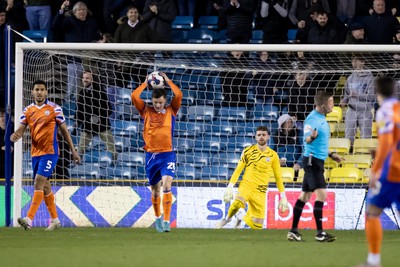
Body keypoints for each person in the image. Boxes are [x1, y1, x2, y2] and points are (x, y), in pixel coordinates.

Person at [10, 80, 81, 230]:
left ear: (46, 92)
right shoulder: (28, 110)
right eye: (37, 89)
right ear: (32, 92)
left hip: (50, 152)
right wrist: (15, 135)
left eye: (42, 89)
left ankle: (28, 219)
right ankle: (55, 221)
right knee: (45, 186)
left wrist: (73, 150)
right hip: (36, 154)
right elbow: (21, 130)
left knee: (38, 181)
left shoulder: (55, 109)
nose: (39, 92)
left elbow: (64, 131)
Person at [287, 90, 344, 242]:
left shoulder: (322, 118)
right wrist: (311, 137)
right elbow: (306, 139)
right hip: (312, 161)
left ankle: (293, 231)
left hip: (316, 160)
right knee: (322, 195)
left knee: (304, 196)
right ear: (323, 105)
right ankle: (320, 233)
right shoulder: (312, 119)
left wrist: (332, 155)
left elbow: (322, 143)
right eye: (331, 102)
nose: (333, 104)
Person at [356, 76, 400, 267]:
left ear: (377, 92)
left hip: (393, 170)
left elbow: (387, 143)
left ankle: (374, 261)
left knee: (372, 211)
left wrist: (375, 171)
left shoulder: (383, 112)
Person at [131, 72, 182, 232]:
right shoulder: (146, 111)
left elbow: (179, 94)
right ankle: (158, 217)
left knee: (167, 186)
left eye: (160, 102)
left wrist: (167, 81)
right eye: (155, 102)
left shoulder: (171, 110)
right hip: (151, 156)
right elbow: (134, 95)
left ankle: (167, 221)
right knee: (155, 190)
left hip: (168, 154)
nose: (158, 105)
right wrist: (145, 83)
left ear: (165, 101)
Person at [216, 125, 288, 229]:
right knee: (237, 203)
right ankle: (227, 219)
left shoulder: (273, 155)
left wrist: (283, 196)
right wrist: (230, 187)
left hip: (261, 191)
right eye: (259, 135)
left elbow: (278, 177)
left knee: (256, 226)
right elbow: (238, 170)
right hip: (247, 185)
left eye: (263, 135)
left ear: (268, 137)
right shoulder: (248, 151)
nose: (261, 137)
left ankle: (239, 216)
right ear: (255, 137)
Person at [74, 71, 117, 162]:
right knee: (81, 147)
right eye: (84, 78)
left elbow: (108, 109)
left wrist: (99, 117)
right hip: (88, 125)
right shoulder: (82, 93)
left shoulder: (100, 91)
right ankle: (77, 162)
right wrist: (77, 122)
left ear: (92, 80)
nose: (85, 80)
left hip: (102, 125)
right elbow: (80, 110)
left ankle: (114, 162)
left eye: (87, 78)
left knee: (111, 147)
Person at [339, 54, 375, 145]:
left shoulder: (370, 78)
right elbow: (347, 94)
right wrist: (344, 101)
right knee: (348, 137)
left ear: (363, 62)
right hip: (351, 110)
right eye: (353, 61)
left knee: (365, 138)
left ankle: (365, 156)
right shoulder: (350, 78)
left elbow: (371, 96)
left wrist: (357, 95)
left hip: (365, 111)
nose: (354, 63)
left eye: (356, 60)